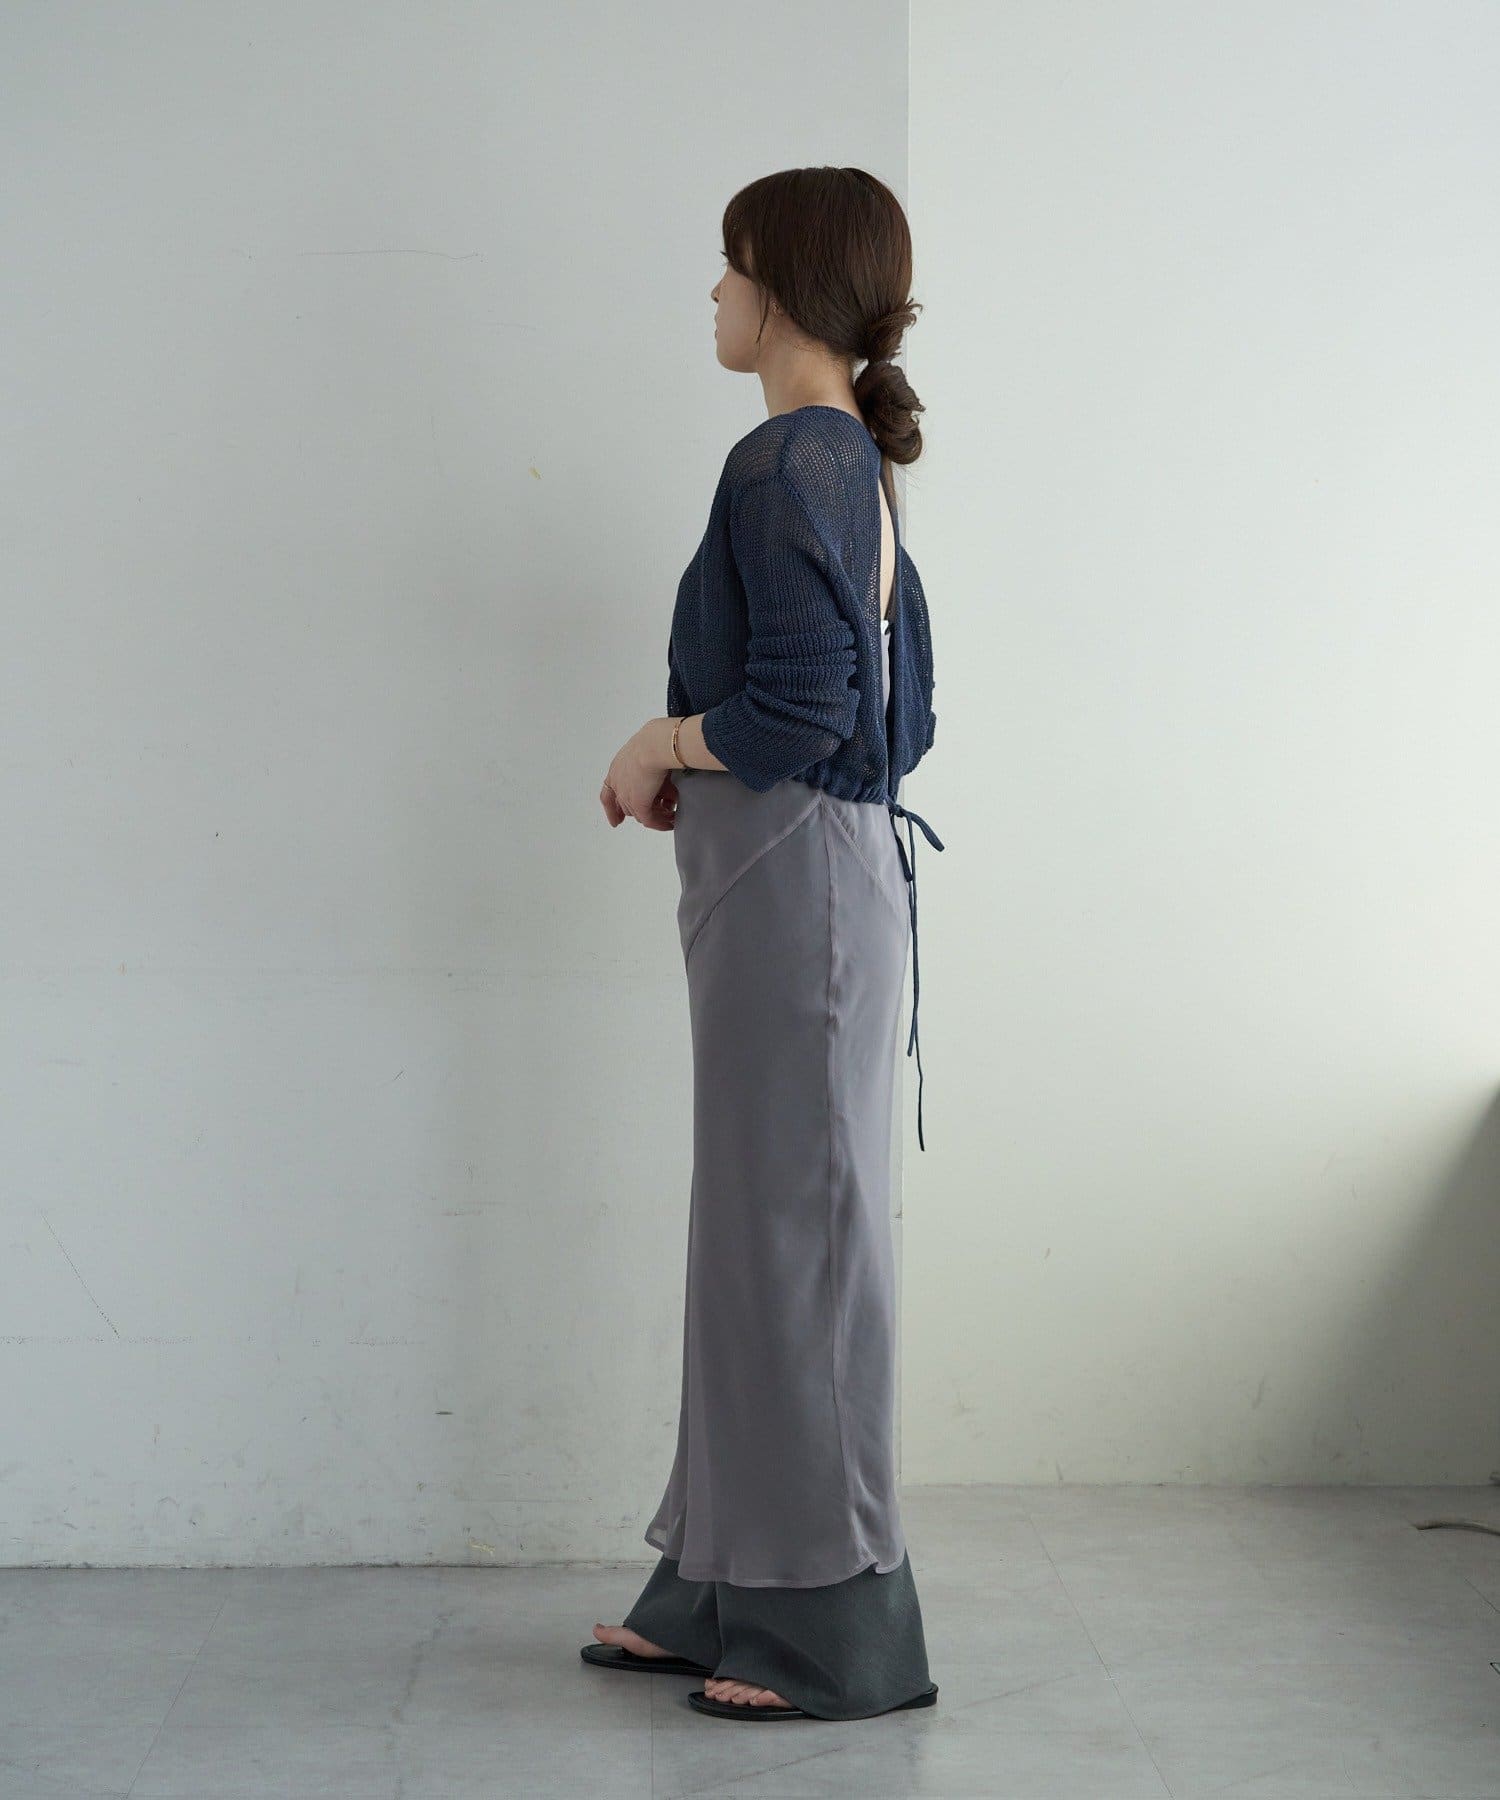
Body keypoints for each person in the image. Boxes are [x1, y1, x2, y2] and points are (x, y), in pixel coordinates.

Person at [586, 166, 943, 1723]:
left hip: (797, 897)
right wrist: (717, 766)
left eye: (728, 270)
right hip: (804, 883)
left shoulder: (791, 455)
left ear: (781, 289)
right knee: (757, 1238)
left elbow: (809, 707)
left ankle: (829, 1632)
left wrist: (663, 741)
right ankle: (720, 1590)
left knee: (796, 1245)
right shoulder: (844, 457)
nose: (715, 297)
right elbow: (897, 720)